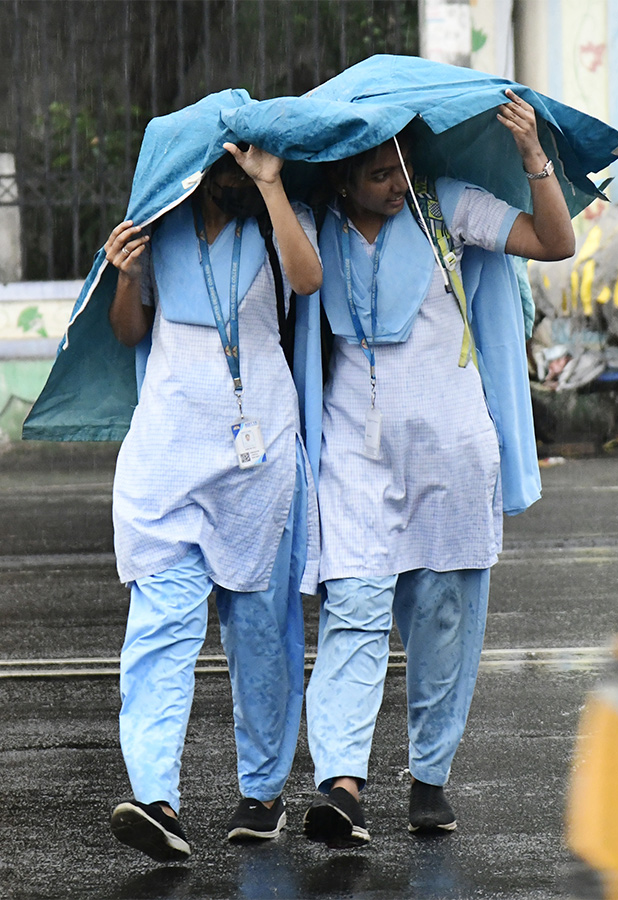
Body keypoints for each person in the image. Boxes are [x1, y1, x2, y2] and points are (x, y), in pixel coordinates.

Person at [303, 89, 575, 844]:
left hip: (452, 451)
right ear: (340, 180)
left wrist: (532, 157)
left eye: (400, 164)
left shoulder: (445, 206)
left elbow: (555, 244)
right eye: (377, 172)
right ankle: (343, 786)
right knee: (352, 607)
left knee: (444, 616)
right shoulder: (312, 229)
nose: (395, 180)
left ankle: (429, 776)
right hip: (354, 453)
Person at [104, 142, 322, 862]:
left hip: (255, 465)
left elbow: (309, 280)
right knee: (161, 624)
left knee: (261, 633)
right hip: (168, 457)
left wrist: (271, 187)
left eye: (247, 164)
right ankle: (155, 796)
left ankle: (262, 794)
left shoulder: (277, 221)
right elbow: (129, 331)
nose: (237, 177)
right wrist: (127, 278)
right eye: (228, 166)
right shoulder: (158, 229)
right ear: (195, 171)